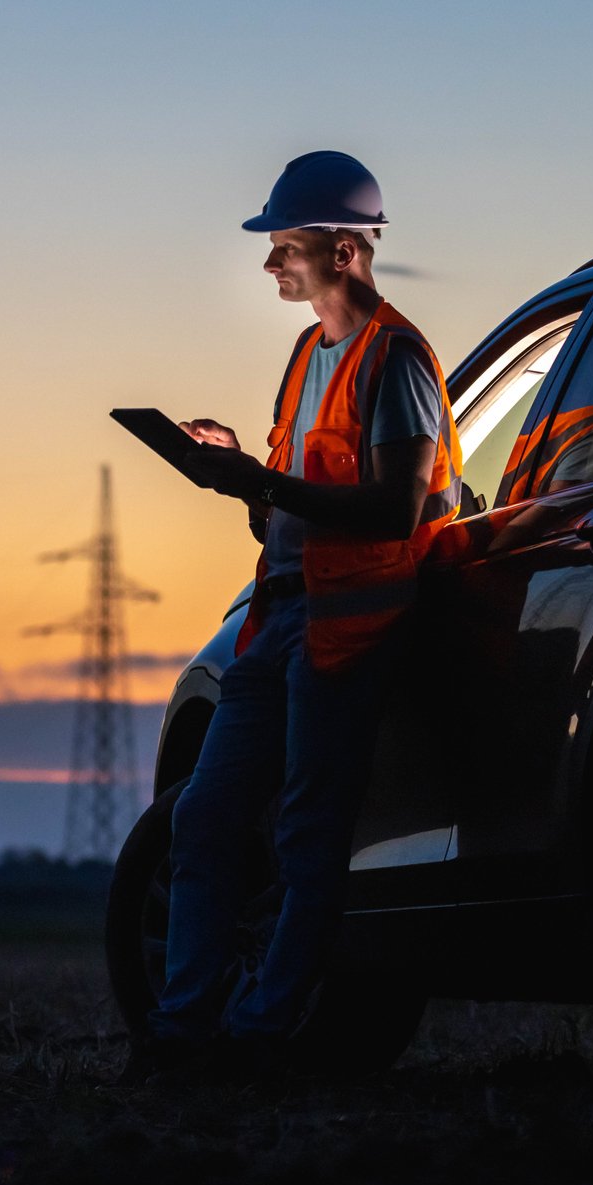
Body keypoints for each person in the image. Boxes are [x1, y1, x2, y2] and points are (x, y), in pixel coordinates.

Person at [123, 151, 463, 1084]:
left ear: (345, 250)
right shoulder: (307, 355)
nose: (271, 264)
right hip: (279, 627)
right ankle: (185, 1029)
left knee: (310, 836)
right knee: (205, 819)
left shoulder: (396, 360)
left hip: (349, 636)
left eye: (286, 245)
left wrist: (259, 481)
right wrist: (239, 476)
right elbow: (286, 510)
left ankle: (259, 1036)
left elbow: (395, 510)